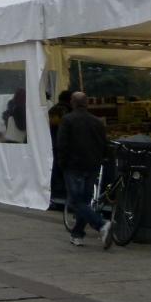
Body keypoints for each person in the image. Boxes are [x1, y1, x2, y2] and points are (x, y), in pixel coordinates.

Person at [56, 91, 112, 248]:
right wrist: (103, 158)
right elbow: (104, 143)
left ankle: (101, 224)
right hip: (92, 165)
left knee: (75, 201)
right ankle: (77, 234)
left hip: (73, 165)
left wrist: (61, 164)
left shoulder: (67, 120)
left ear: (72, 103)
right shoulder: (97, 121)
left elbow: (62, 144)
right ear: (87, 103)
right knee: (85, 202)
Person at [48, 89, 74, 202]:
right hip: (64, 145)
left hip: (52, 142)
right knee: (64, 171)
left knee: (54, 169)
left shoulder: (52, 109)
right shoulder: (68, 111)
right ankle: (63, 195)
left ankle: (54, 194)